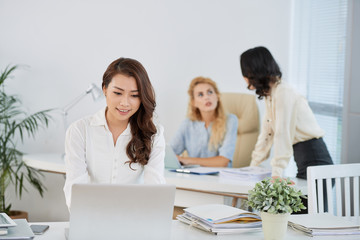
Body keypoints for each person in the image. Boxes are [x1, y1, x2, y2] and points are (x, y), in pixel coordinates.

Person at [63, 57, 165, 208]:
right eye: (118, 93)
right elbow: (75, 189)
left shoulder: (153, 133)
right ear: (104, 89)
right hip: (90, 220)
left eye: (134, 95)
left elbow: (155, 191)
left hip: (134, 221)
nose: (125, 103)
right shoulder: (80, 130)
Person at [240, 46, 333, 180]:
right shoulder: (270, 94)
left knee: (295, 200)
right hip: (303, 159)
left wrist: (276, 173)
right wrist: (253, 167)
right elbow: (267, 133)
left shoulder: (283, 92)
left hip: (316, 159)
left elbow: (282, 133)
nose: (244, 77)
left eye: (245, 72)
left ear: (253, 71)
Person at [170, 77, 238, 167]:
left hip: (219, 178)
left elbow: (223, 161)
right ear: (194, 102)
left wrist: (186, 160)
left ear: (217, 96)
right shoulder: (188, 124)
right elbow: (169, 154)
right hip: (193, 178)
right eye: (200, 95)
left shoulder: (230, 120)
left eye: (210, 92)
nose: (207, 97)